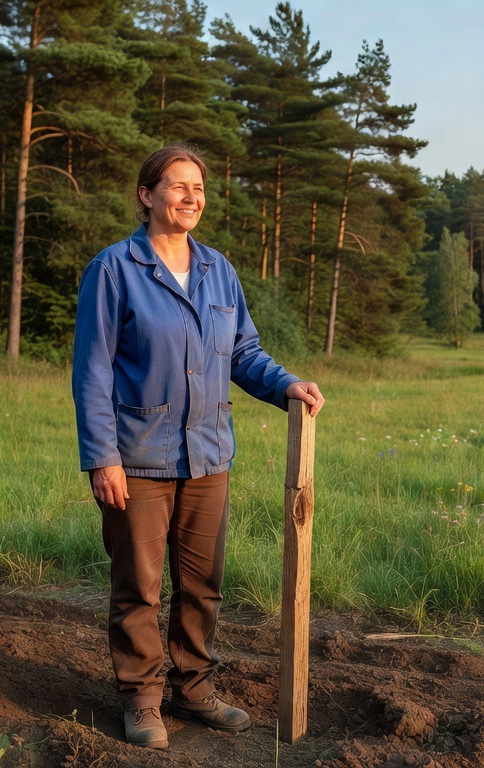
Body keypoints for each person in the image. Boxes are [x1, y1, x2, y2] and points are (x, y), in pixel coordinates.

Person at [71, 144, 323, 750]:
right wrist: (102, 457)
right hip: (139, 457)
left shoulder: (219, 271)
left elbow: (242, 352)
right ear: (146, 195)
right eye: (178, 186)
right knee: (140, 584)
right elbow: (93, 371)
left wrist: (285, 383)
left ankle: (195, 687)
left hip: (208, 455)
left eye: (199, 189)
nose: (191, 198)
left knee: (202, 582)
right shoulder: (114, 269)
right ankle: (141, 699)